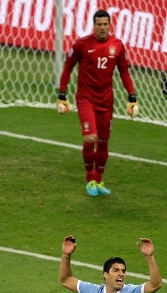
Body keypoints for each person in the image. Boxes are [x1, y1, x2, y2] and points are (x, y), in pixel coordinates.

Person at [56, 9, 139, 197]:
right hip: (86, 98)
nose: (102, 27)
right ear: (94, 26)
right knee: (90, 137)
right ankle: (90, 179)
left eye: (105, 24)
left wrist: (132, 97)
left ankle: (99, 179)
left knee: (103, 141)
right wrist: (62, 95)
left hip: (106, 100)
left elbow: (124, 72)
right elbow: (68, 67)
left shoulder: (117, 46)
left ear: (110, 25)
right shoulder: (82, 44)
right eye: (99, 24)